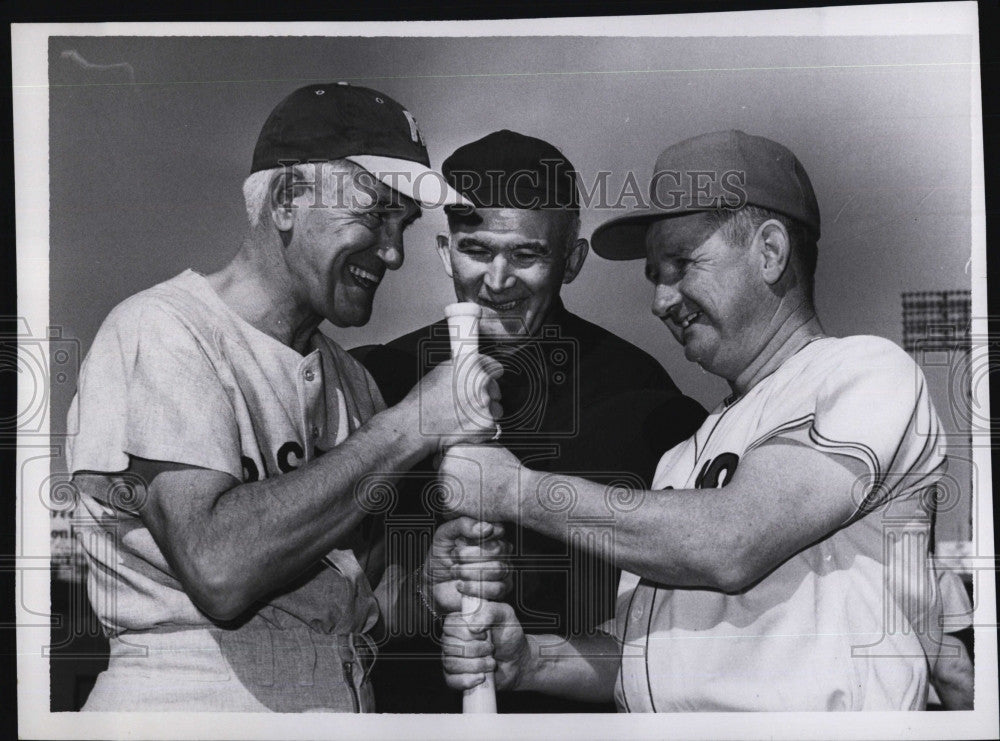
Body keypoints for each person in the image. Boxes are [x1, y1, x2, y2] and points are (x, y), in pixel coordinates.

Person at [438, 130, 970, 711]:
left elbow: (734, 541)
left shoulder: (863, 370)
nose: (661, 301)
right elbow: (645, 657)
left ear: (769, 252)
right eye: (654, 276)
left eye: (680, 265)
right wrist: (531, 661)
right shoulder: (683, 456)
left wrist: (517, 490)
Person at [65, 82, 509, 713]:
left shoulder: (352, 383)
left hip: (339, 695)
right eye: (374, 213)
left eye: (404, 224)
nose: (394, 252)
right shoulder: (163, 329)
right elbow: (220, 570)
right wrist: (412, 424)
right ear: (285, 199)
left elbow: (353, 600)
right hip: (187, 702)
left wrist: (428, 585)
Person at [352, 129, 706, 712]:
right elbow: (337, 599)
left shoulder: (643, 397)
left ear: (571, 260)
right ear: (445, 252)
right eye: (476, 250)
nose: (497, 281)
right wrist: (423, 581)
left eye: (525, 255)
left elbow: (670, 617)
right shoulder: (380, 381)